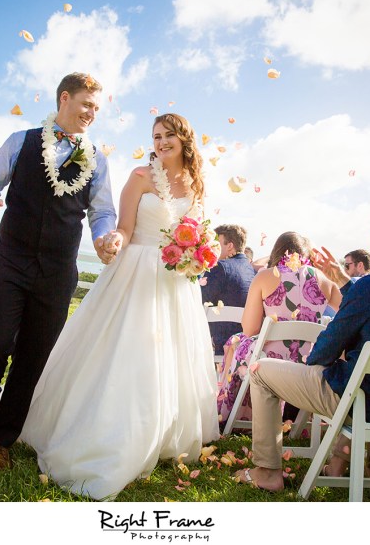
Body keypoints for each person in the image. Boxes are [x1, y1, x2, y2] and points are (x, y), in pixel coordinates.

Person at [20, 113, 220, 500]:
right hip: (137, 272)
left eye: (168, 136)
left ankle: (161, 434)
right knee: (128, 352)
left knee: (167, 358)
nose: (160, 143)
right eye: (156, 137)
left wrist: (198, 254)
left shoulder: (197, 185)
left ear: (185, 140)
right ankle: (109, 435)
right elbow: (125, 227)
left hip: (177, 282)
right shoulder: (140, 178)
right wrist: (113, 239)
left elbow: (200, 230)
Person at [0, 72, 119, 470]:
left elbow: (102, 212)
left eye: (97, 108)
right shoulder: (22, 140)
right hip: (9, 260)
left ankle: (3, 436)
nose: (91, 113)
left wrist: (105, 237)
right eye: (87, 104)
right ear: (64, 98)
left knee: (33, 357)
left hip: (57, 271)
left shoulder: (98, 159)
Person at [234, 209, 370, 491]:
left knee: (260, 371)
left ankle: (267, 471)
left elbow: (327, 347)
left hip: (359, 403)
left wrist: (314, 366)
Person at [216, 231, 341, 426]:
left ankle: (235, 415)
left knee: (236, 341)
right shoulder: (324, 279)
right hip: (310, 360)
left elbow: (250, 329)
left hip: (269, 360)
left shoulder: (265, 276)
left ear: (277, 251)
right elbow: (348, 312)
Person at [200, 223, 256, 354]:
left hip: (220, 344)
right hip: (244, 343)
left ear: (229, 246)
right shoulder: (251, 270)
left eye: (216, 244)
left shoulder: (220, 266)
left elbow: (200, 301)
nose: (212, 248)